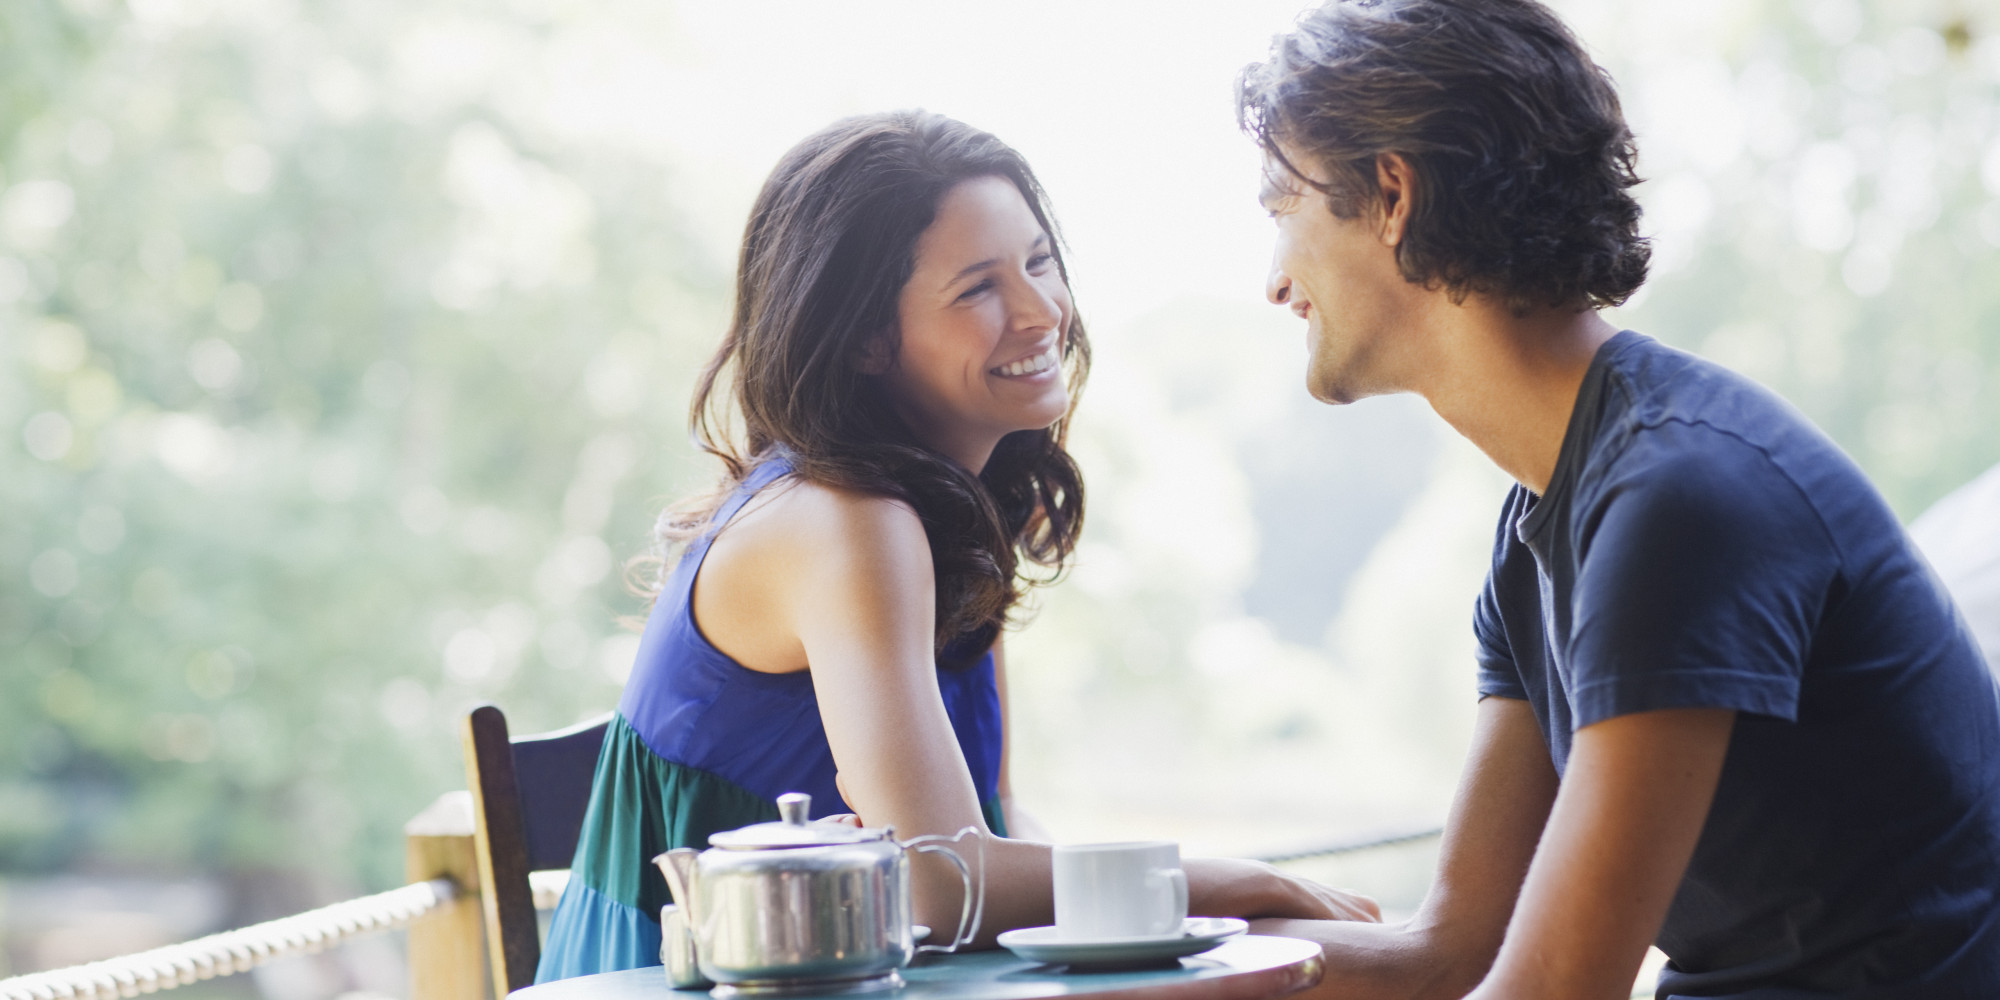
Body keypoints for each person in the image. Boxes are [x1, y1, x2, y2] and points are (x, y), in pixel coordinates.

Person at [1233, 1, 2000, 998]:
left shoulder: (1676, 501)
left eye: (1279, 208)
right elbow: (1451, 949)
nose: (1272, 280)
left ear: (1390, 195)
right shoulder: (1537, 528)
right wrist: (1153, 953)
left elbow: (1552, 990)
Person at [536, 110, 1379, 982]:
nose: (1040, 310)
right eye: (978, 288)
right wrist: (1229, 879)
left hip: (883, 978)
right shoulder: (847, 521)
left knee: (1328, 953)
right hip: (698, 982)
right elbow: (945, 883)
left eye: (1039, 263)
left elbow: (998, 824)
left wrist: (1198, 899)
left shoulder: (946, 516)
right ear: (864, 339)